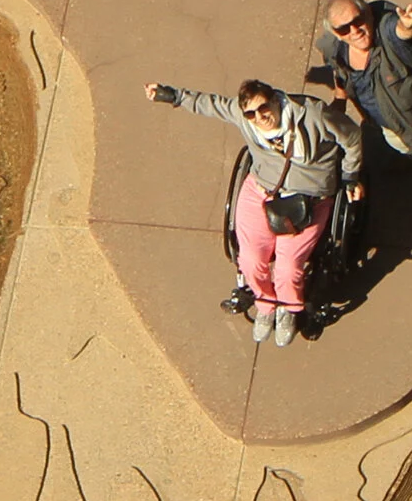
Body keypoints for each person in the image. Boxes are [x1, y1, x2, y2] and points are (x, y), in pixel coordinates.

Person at [143, 77, 363, 347]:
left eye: (264, 108)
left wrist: (351, 174)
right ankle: (266, 304)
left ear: (275, 100)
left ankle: (289, 309)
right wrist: (171, 95)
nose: (260, 117)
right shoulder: (245, 116)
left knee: (288, 267)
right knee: (249, 259)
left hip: (309, 196)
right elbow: (209, 104)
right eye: (251, 113)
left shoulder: (314, 114)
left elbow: (352, 137)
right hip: (262, 189)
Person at [314, 0, 412, 251]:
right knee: (399, 146)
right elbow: (339, 74)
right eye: (344, 28)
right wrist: (340, 98)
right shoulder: (335, 49)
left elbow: (401, 34)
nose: (355, 30)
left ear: (368, 14)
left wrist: (407, 26)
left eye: (358, 20)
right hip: (391, 125)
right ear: (337, 33)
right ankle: (407, 155)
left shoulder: (389, 35)